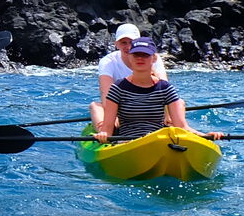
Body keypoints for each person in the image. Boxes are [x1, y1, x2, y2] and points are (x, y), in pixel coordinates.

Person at [94, 37, 224, 143]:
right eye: (136, 54)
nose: (140, 58)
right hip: (127, 142)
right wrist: (103, 135)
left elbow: (182, 127)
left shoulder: (165, 88)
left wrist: (206, 136)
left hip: (158, 141)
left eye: (145, 55)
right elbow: (107, 129)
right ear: (129, 57)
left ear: (154, 58)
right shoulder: (117, 88)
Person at [92, 22, 168, 135]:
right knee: (94, 107)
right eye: (123, 43)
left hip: (150, 106)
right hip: (122, 109)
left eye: (131, 42)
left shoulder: (152, 58)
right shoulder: (108, 62)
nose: (128, 47)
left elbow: (164, 87)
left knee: (179, 103)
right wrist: (112, 116)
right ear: (116, 44)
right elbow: (106, 93)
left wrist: (167, 114)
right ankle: (105, 133)